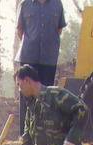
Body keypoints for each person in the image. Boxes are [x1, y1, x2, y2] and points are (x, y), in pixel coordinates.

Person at [15, 0, 66, 133]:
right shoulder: (25, 4)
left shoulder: (57, 4)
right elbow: (20, 30)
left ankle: (43, 134)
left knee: (46, 96)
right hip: (28, 57)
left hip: (48, 59)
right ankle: (25, 135)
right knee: (26, 96)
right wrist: (32, 43)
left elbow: (59, 29)